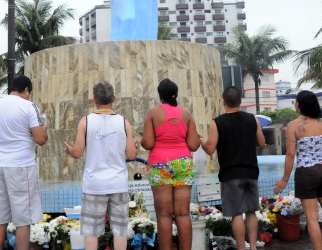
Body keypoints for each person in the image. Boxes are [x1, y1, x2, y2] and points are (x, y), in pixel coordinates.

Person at [63, 82, 138, 250]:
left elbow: (77, 152)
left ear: (94, 100)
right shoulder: (124, 122)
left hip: (94, 185)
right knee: (119, 231)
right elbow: (132, 155)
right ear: (114, 99)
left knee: (91, 232)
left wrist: (69, 149)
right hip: (118, 184)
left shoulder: (86, 122)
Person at [0, 75, 48, 250]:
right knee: (23, 220)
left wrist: (2, 135)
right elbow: (40, 139)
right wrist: (44, 127)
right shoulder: (28, 106)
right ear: (26, 90)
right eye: (28, 93)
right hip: (21, 166)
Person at [274, 90, 322, 250]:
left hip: (306, 173)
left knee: (312, 219)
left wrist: (284, 179)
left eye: (296, 101)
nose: (295, 104)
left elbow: (291, 154)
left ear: (300, 104)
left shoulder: (293, 125)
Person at [200, 86, 266, 250]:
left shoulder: (217, 123)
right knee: (251, 212)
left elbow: (209, 149)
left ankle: (242, 248)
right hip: (251, 172)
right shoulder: (253, 119)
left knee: (237, 213)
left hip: (231, 174)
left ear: (223, 102)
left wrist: (200, 139)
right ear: (240, 101)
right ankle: (253, 247)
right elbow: (262, 143)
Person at [141, 78, 200, 250]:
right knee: (183, 213)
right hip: (183, 164)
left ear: (160, 95)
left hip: (160, 164)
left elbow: (149, 144)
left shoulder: (153, 113)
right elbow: (193, 145)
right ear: (176, 94)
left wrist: (143, 137)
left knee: (164, 215)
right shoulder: (186, 114)